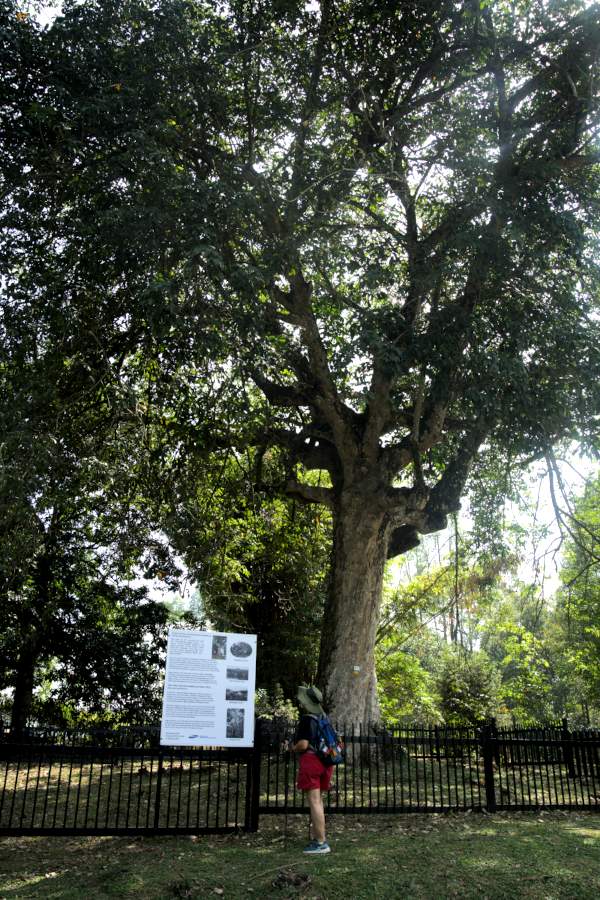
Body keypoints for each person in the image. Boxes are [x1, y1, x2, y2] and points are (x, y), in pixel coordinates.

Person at [292, 684, 332, 855]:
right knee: (319, 801)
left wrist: (291, 748)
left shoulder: (307, 719)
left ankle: (321, 843)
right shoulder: (323, 717)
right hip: (326, 762)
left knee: (314, 801)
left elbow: (303, 744)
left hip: (311, 761)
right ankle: (319, 837)